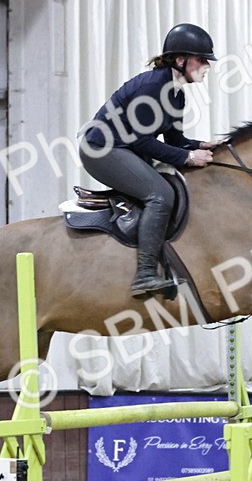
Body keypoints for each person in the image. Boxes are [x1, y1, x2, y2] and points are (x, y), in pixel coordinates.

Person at [80, 23, 219, 299]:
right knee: (160, 195)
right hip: (101, 148)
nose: (207, 66)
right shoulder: (152, 87)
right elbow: (142, 141)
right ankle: (145, 274)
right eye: (202, 60)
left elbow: (174, 140)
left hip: (125, 146)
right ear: (180, 60)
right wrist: (189, 157)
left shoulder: (176, 94)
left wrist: (200, 145)